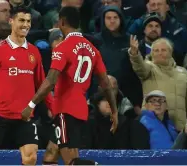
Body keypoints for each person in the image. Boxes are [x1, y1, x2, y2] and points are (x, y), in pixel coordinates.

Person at [21, 6, 118, 165]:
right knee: (50, 156)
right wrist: (114, 110)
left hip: (65, 109)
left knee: (71, 161)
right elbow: (106, 83)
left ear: (62, 21)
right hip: (80, 109)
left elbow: (50, 80)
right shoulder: (93, 50)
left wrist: (31, 104)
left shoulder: (63, 48)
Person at [0, 6, 52, 165]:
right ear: (11, 21)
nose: (26, 24)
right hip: (0, 116)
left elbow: (42, 84)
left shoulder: (34, 52)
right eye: (21, 20)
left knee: (31, 157)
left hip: (25, 117)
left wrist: (53, 108)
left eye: (28, 21)